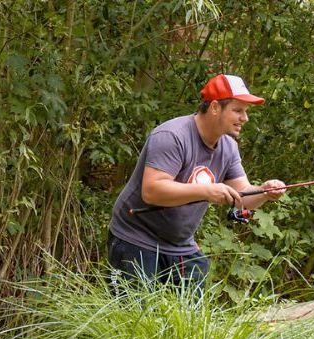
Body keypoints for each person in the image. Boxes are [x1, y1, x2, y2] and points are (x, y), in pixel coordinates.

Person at [107, 74, 285, 290]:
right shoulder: (172, 136)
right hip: (136, 237)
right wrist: (206, 191)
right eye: (238, 110)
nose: (245, 118)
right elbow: (152, 191)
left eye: (246, 111)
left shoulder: (228, 148)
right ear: (215, 108)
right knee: (133, 318)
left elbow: (243, 198)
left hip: (179, 245)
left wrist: (264, 192)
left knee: (191, 316)